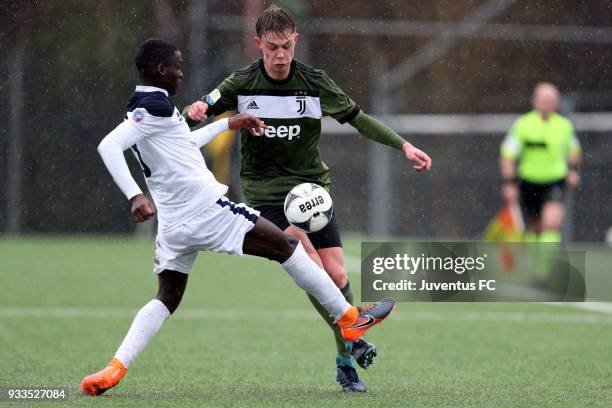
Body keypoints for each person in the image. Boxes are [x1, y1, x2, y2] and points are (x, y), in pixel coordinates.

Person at [80, 38, 395, 396]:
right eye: (177, 65)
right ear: (161, 69)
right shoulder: (152, 104)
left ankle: (114, 367)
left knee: (166, 297)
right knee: (288, 246)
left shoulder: (146, 105)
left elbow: (185, 143)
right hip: (204, 210)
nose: (182, 73)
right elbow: (109, 145)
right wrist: (134, 194)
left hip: (173, 225)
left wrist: (230, 125)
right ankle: (349, 319)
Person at [184, 5, 431, 392]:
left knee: (336, 276)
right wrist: (195, 110)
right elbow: (194, 113)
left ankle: (344, 359)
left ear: (295, 39)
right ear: (258, 45)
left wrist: (403, 146)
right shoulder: (241, 82)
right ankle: (354, 334)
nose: (280, 55)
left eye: (285, 46)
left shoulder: (314, 82)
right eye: (271, 48)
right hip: (265, 193)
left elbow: (359, 118)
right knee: (308, 260)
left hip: (312, 190)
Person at [500, 82, 581, 244]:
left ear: (557, 102)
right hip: (529, 182)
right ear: (535, 101)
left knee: (551, 224)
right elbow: (507, 155)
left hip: (555, 181)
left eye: (551, 99)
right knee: (535, 229)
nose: (547, 103)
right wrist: (509, 183)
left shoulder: (564, 126)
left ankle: (544, 269)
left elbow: (574, 152)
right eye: (543, 99)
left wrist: (573, 170)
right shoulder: (523, 125)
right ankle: (536, 266)